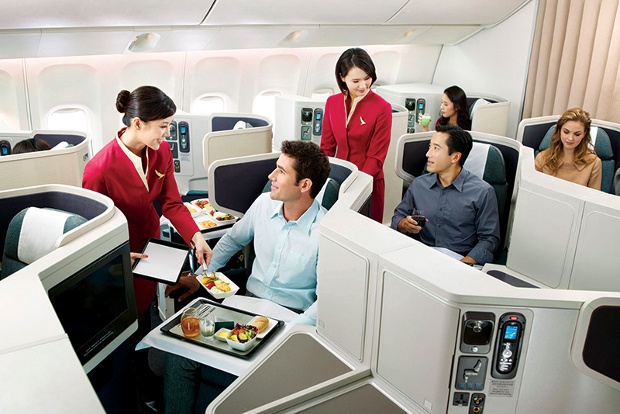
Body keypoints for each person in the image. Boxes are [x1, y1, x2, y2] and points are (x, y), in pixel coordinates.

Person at [163, 140, 331, 413]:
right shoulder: (264, 205)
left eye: (280, 171)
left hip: (289, 319)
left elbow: (325, 300)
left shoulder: (325, 231)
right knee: (179, 355)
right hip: (244, 305)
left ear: (304, 185)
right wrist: (201, 276)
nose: (270, 177)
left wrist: (292, 335)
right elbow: (231, 242)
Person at [82, 85, 213, 411]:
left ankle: (150, 394)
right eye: (163, 126)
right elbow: (90, 235)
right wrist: (117, 257)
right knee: (124, 344)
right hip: (118, 265)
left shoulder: (161, 153)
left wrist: (196, 237)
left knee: (146, 324)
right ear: (137, 123)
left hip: (152, 256)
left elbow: (172, 203)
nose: (168, 134)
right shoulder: (99, 169)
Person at [391, 125, 500, 266]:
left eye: (436, 148)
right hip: (421, 256)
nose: (428, 154)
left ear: (455, 157)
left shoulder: (483, 192)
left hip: (460, 261)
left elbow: (489, 240)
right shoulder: (419, 184)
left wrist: (463, 264)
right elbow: (398, 217)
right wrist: (404, 224)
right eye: (430, 147)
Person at [320, 47, 392, 223]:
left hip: (367, 181)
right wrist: (321, 179)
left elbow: (376, 158)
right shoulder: (332, 102)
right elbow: (326, 148)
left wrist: (355, 189)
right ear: (342, 78)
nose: (363, 86)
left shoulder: (382, 108)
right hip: (337, 178)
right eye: (356, 80)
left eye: (367, 78)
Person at [534, 108, 602, 190]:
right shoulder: (542, 158)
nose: (570, 138)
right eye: (566, 132)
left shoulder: (594, 163)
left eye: (577, 134)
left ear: (584, 133)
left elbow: (593, 199)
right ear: (559, 130)